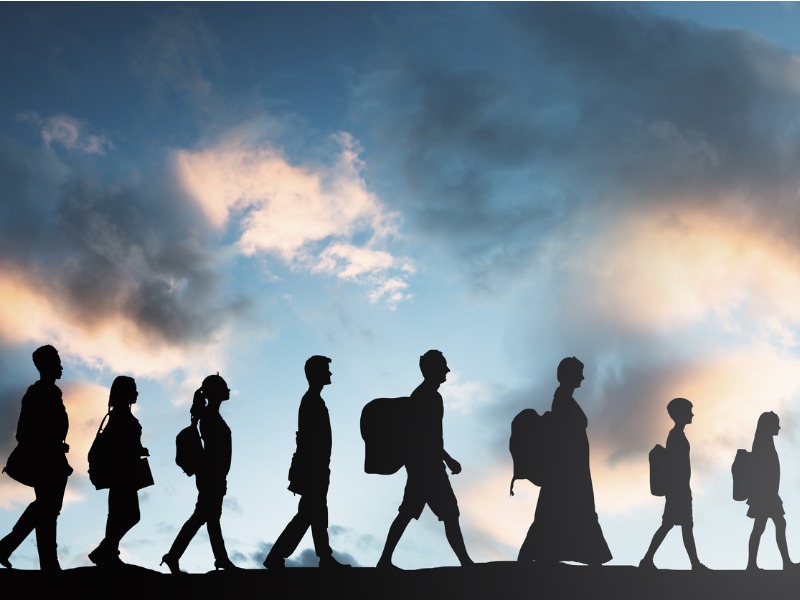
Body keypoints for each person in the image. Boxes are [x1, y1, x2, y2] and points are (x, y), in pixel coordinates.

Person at [376, 349, 473, 569]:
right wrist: (448, 459)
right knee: (449, 512)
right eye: (443, 366)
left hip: (421, 465)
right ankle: (465, 562)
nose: (447, 370)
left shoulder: (424, 395)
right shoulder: (426, 396)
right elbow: (426, 436)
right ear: (432, 369)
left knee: (408, 512)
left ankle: (384, 560)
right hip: (427, 467)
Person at [518, 356, 611, 566]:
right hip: (567, 470)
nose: (583, 377)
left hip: (573, 468)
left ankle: (587, 555)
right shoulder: (561, 399)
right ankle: (592, 556)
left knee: (561, 511)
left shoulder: (563, 398)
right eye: (579, 373)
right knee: (559, 511)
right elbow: (561, 437)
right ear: (569, 375)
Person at [263, 355, 351, 569]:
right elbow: (308, 440)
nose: (330, 374)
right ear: (316, 373)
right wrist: (316, 468)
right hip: (314, 468)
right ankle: (312, 557)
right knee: (312, 513)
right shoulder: (311, 401)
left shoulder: (314, 400)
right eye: (326, 370)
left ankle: (319, 556)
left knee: (313, 514)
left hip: (318, 467)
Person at [0, 344, 73, 571]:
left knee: (48, 510)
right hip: (46, 461)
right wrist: (50, 445)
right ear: (47, 365)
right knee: (47, 507)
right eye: (57, 361)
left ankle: (46, 562)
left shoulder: (50, 392)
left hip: (53, 458)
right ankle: (10, 547)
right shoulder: (39, 393)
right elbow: (25, 432)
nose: (61, 366)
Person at [161, 374, 240, 573]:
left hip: (213, 475)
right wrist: (218, 475)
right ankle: (219, 559)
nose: (228, 390)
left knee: (204, 517)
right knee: (209, 518)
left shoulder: (209, 415)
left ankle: (174, 556)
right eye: (224, 386)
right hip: (211, 475)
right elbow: (215, 451)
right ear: (215, 392)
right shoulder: (209, 416)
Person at [639, 397, 707, 570]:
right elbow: (675, 464)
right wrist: (680, 488)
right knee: (679, 526)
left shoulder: (677, 435)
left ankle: (649, 560)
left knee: (677, 525)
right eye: (689, 410)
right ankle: (694, 564)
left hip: (680, 488)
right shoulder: (675, 435)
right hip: (678, 490)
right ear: (681, 414)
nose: (692, 414)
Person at [88, 375, 149, 567]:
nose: (137, 393)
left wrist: (138, 450)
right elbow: (119, 445)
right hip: (122, 473)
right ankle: (106, 550)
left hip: (126, 472)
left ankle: (108, 552)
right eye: (133, 389)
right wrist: (135, 450)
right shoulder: (119, 416)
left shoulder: (120, 415)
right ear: (125, 393)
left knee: (118, 515)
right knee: (128, 515)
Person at [745, 411, 796, 571]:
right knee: (775, 525)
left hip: (768, 494)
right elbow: (763, 471)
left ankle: (754, 564)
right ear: (768, 426)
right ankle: (784, 563)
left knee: (762, 527)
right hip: (766, 495)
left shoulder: (764, 441)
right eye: (776, 424)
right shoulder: (763, 443)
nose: (779, 427)